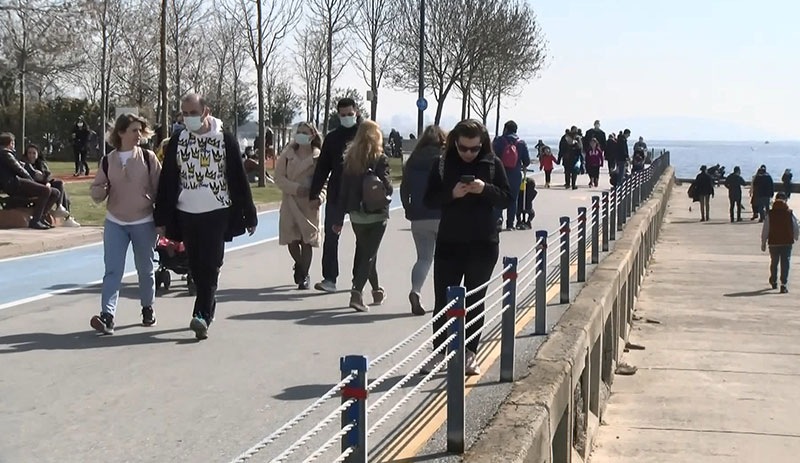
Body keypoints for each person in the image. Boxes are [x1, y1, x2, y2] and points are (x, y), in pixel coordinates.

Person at [154, 93, 258, 340]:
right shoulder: (178, 140)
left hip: (217, 211)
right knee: (196, 264)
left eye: (193, 112)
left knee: (210, 264)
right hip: (187, 212)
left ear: (205, 111)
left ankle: (202, 315)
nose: (189, 117)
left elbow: (238, 179)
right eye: (185, 113)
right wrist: (161, 219)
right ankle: (205, 305)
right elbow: (168, 180)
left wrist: (249, 214)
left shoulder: (224, 139)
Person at [423, 119, 512, 376]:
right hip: (450, 242)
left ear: (483, 144)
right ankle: (440, 352)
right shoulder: (442, 163)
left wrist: (485, 189)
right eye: (464, 148)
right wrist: (452, 194)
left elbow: (507, 198)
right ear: (455, 143)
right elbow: (428, 200)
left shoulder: (492, 164)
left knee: (474, 300)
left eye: (474, 148)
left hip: (483, 244)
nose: (469, 154)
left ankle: (470, 353)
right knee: (443, 300)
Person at [88, 114, 162, 334]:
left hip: (144, 221)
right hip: (115, 222)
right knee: (112, 271)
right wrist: (100, 191)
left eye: (140, 130)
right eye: (133, 130)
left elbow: (161, 190)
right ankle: (107, 316)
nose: (138, 134)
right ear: (121, 133)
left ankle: (148, 308)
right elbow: (96, 190)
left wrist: (163, 221)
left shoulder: (148, 158)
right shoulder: (107, 160)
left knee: (145, 269)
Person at [335, 120, 392, 312]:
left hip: (356, 215)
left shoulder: (350, 158)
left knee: (367, 251)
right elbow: (387, 186)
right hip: (376, 213)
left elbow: (342, 190)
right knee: (369, 254)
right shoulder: (380, 158)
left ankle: (376, 290)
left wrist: (338, 218)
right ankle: (356, 293)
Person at [309, 97, 360, 293]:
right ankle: (329, 278)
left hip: (359, 194)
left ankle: (360, 279)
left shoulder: (364, 135)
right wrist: (315, 192)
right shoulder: (332, 138)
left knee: (363, 239)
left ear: (355, 112)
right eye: (343, 115)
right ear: (338, 115)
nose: (347, 117)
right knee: (331, 237)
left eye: (350, 114)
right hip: (337, 193)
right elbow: (322, 168)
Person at [401, 124, 445, 315]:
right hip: (442, 214)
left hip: (418, 215)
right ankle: (442, 299)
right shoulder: (444, 160)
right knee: (444, 260)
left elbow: (404, 189)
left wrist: (408, 208)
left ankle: (415, 291)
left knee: (423, 258)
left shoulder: (413, 161)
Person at [274, 122, 323, 290]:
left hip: (309, 204)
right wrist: (295, 188)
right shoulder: (287, 155)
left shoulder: (318, 157)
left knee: (307, 240)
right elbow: (278, 178)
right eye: (299, 132)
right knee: (292, 239)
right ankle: (299, 264)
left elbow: (325, 182)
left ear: (312, 135)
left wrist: (319, 198)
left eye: (305, 132)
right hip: (290, 202)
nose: (301, 135)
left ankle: (304, 275)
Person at [0, 132, 61, 229]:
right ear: (10, 143)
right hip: (13, 184)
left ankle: (41, 217)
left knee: (56, 193)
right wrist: (32, 182)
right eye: (13, 143)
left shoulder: (5, 153)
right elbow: (19, 169)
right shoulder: (5, 153)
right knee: (46, 190)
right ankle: (35, 221)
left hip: (13, 183)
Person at [20, 144, 79, 226]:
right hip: (33, 188)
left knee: (60, 184)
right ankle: (66, 216)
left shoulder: (41, 164)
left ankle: (60, 207)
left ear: (37, 154)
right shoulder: (24, 165)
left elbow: (48, 176)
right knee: (59, 192)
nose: (31, 155)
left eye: (34, 153)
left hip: (44, 186)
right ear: (26, 154)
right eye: (29, 153)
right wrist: (45, 182)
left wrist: (48, 183)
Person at [492, 120, 530, 230]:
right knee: (513, 199)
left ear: (505, 129)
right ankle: (510, 224)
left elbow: (492, 155)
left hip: (500, 173)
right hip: (515, 175)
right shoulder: (521, 143)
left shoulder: (499, 141)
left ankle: (498, 220)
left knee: (498, 197)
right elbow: (526, 161)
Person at [760, 192, 799, 294]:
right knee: (785, 263)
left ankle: (773, 280)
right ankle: (783, 284)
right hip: (786, 242)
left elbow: (766, 229)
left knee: (774, 262)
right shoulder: (789, 213)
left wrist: (763, 242)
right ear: (785, 200)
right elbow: (796, 226)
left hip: (773, 242)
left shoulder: (770, 214)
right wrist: (795, 236)